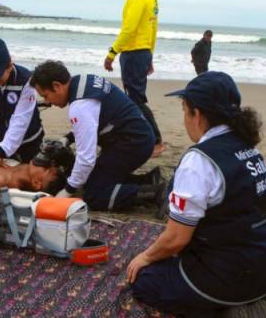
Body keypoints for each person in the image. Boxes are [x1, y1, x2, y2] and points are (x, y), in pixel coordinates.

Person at [126, 71, 266, 317]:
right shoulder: (246, 147)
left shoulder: (199, 161)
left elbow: (176, 239)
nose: (185, 119)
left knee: (144, 280)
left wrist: (145, 258)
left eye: (184, 110)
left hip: (234, 278)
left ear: (197, 114)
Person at [30, 60, 166, 213]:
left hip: (132, 144)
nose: (47, 102)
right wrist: (67, 138)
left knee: (94, 194)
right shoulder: (82, 81)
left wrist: (68, 190)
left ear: (56, 86)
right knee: (95, 178)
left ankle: (155, 193)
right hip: (136, 134)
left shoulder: (80, 106)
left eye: (46, 96)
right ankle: (149, 180)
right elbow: (91, 123)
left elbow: (86, 159)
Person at [103, 0, 164, 157]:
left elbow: (129, 29)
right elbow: (153, 29)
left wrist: (112, 53)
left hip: (133, 53)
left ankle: (154, 139)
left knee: (135, 99)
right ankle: (149, 137)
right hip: (143, 52)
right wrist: (150, 55)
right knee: (135, 97)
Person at [0, 38, 44, 167]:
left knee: (33, 175)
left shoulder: (27, 81)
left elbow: (21, 119)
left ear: (10, 66)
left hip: (29, 138)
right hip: (0, 138)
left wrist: (0, 153)